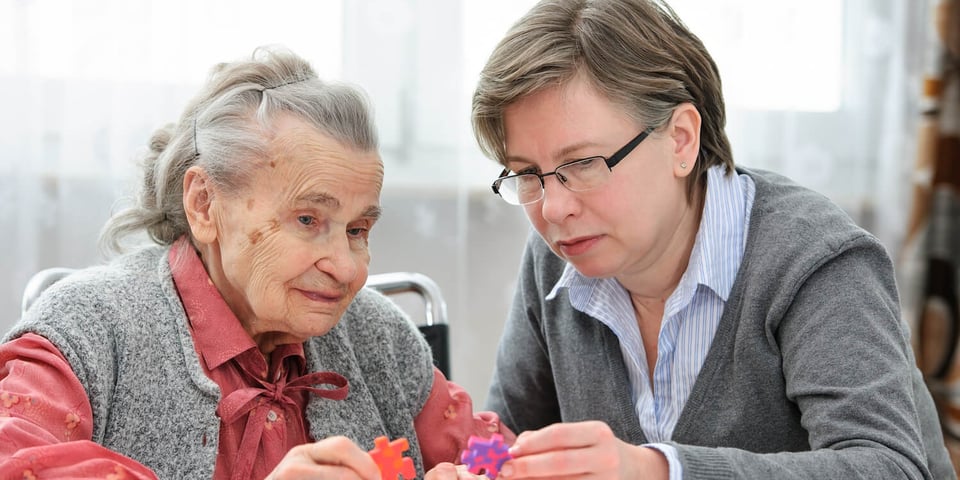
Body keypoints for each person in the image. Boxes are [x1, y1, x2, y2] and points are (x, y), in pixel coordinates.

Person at [461, 0, 957, 478]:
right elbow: (505, 439)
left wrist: (657, 471)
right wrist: (473, 466)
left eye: (583, 164)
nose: (552, 209)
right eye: (527, 173)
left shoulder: (816, 260)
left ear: (681, 139)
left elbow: (888, 468)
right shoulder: (555, 260)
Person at [0, 46, 510, 479]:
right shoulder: (89, 327)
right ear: (204, 204)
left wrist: (489, 474)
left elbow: (493, 456)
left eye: (357, 230)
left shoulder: (378, 336)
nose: (346, 268)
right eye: (307, 219)